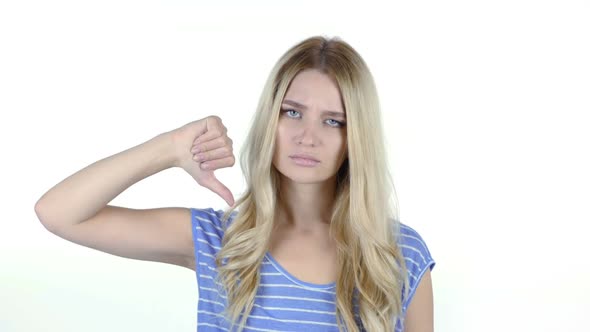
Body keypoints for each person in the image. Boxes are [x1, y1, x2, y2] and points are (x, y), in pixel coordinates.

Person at [35, 35, 435, 332]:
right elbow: (59, 214)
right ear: (270, 119)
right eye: (292, 112)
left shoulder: (398, 253)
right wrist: (171, 149)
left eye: (333, 121)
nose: (307, 136)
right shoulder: (218, 241)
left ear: (356, 137)